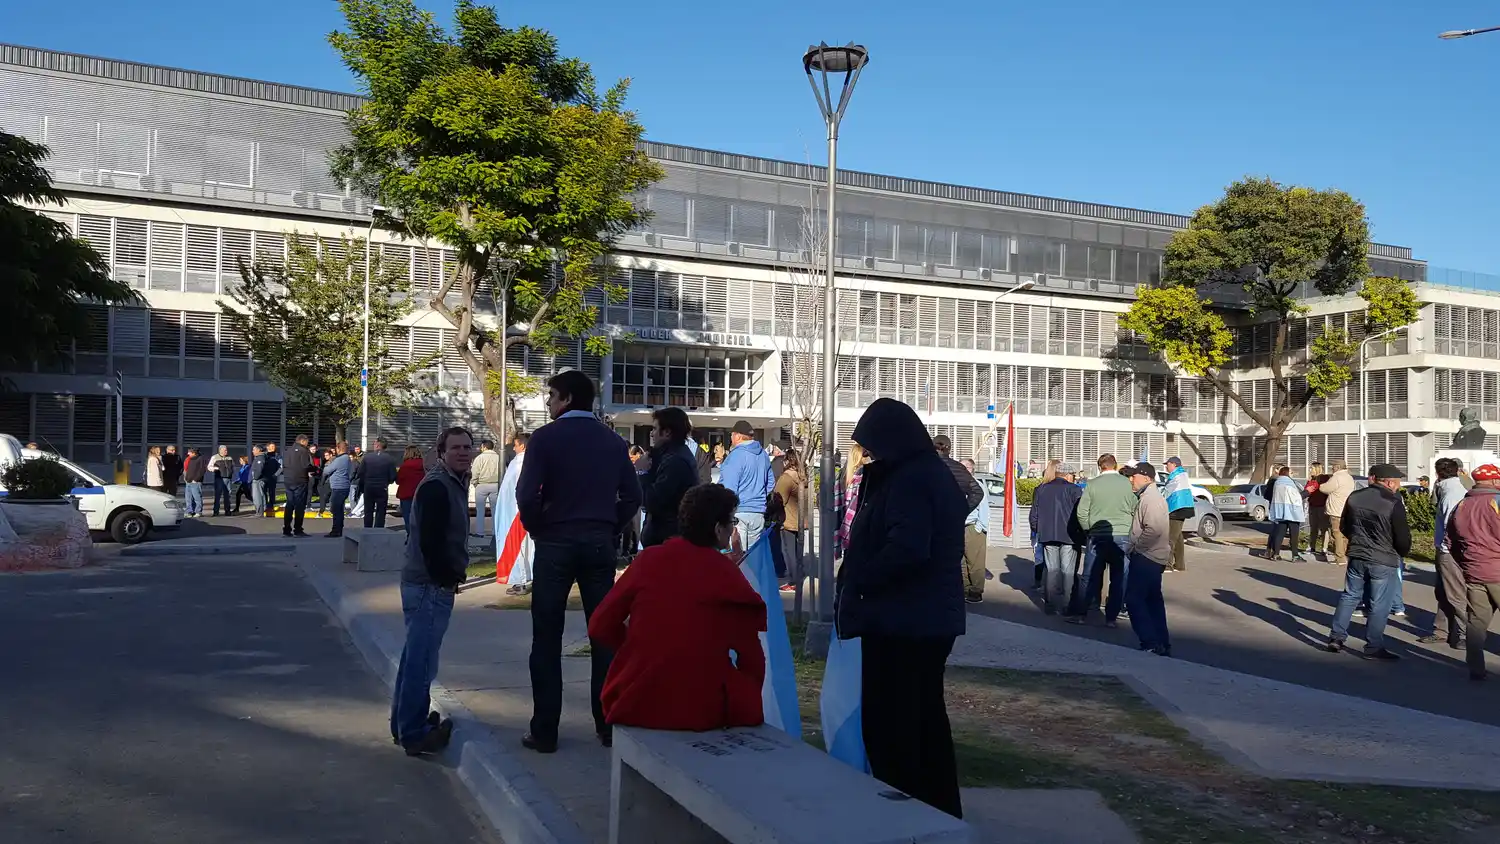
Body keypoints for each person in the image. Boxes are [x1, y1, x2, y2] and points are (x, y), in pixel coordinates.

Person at [837, 398, 966, 819]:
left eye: (873, 447)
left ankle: (910, 808)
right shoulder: (920, 474)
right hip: (913, 618)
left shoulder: (912, 479)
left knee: (899, 723)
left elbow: (908, 549)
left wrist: (860, 580)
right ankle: (928, 805)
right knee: (919, 718)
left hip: (906, 621)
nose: (869, 455)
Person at [516, 371, 642, 753]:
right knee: (603, 633)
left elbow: (526, 494)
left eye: (552, 396)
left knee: (546, 637)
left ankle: (545, 730)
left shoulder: (545, 438)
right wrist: (608, 525)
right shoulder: (612, 441)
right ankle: (606, 724)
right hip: (598, 543)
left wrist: (539, 527)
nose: (549, 404)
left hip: (555, 542)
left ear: (567, 398)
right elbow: (632, 495)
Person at [588, 484, 767, 730]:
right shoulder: (727, 575)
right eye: (731, 521)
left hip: (636, 699)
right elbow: (751, 656)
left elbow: (599, 626)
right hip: (700, 708)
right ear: (717, 529)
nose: (733, 527)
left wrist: (637, 645)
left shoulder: (648, 560)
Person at [389, 427, 472, 756]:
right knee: (422, 662)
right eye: (456, 448)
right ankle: (413, 732)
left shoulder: (452, 480)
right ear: (441, 452)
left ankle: (405, 723)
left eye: (467, 447)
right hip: (428, 585)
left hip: (427, 582)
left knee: (414, 658)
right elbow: (431, 542)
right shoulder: (437, 486)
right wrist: (447, 576)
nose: (464, 452)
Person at [1325, 464, 1411, 661]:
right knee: (1379, 604)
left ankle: (1336, 637)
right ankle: (1373, 646)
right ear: (1389, 482)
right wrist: (1400, 553)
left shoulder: (1355, 497)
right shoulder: (1393, 502)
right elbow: (1402, 537)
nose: (1398, 486)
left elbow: (1345, 526)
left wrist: (1357, 541)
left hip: (1357, 553)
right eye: (1397, 482)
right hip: (1384, 557)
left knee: (1349, 596)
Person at [1446, 463, 1500, 681]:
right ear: (1496, 480)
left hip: (1474, 570)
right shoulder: (1496, 502)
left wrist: (1466, 563)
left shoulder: (1462, 505)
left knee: (1476, 621)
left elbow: (1451, 541)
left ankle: (1476, 668)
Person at [1072, 454, 1137, 628]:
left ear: (1100, 467)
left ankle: (1082, 614)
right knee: (1119, 578)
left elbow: (1082, 512)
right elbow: (1134, 508)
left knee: (1089, 576)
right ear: (1115, 466)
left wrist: (1088, 529)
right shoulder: (1127, 483)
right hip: (1122, 535)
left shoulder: (1092, 484)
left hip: (1097, 535)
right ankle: (1111, 618)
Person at [1123, 463, 1173, 656]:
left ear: (1146, 478)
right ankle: (1161, 642)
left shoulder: (1151, 499)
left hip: (1148, 556)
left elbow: (1153, 529)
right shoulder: (1148, 497)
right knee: (1153, 601)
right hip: (1154, 556)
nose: (1131, 480)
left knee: (1134, 599)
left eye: (1133, 476)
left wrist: (1137, 547)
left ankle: (1150, 642)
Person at [1421, 457, 1468, 649]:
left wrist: (1447, 549)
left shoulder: (1452, 494)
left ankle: (1464, 634)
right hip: (1445, 550)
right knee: (1443, 592)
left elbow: (1452, 526)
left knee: (1455, 594)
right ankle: (1442, 631)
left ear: (1437, 473)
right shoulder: (1448, 489)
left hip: (1450, 551)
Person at [1031, 460, 1085, 617]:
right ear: (1068, 475)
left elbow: (1034, 513)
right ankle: (1067, 606)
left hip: (1048, 534)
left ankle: (1050, 605)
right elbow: (1080, 514)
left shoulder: (1042, 489)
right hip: (1069, 535)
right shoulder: (1074, 490)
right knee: (1068, 572)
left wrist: (1037, 529)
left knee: (1052, 570)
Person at [639, 407, 697, 547]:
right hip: (666, 537)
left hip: (667, 539)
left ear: (667, 432)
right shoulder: (668, 456)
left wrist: (642, 472)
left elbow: (653, 501)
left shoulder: (675, 461)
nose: (651, 434)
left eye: (654, 429)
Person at [717, 420, 776, 551]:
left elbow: (728, 489)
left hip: (738, 513)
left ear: (737, 436)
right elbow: (771, 483)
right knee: (752, 560)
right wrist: (757, 496)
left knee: (738, 559)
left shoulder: (735, 456)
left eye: (731, 435)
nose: (731, 439)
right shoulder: (763, 455)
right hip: (758, 513)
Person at [498, 433, 535, 596]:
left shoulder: (521, 462)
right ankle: (524, 578)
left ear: (523, 446)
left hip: (516, 511)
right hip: (517, 510)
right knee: (524, 547)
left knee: (518, 547)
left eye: (516, 445)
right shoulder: (526, 461)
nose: (513, 448)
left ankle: (521, 581)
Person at [958, 457, 990, 604]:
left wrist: (979, 528)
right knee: (961, 561)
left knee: (975, 561)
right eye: (961, 467)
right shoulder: (957, 485)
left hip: (972, 527)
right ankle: (965, 588)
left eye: (967, 467)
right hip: (958, 526)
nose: (964, 470)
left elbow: (984, 509)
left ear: (972, 470)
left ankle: (976, 591)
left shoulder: (977, 486)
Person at [775, 448, 806, 593]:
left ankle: (794, 581)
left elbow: (778, 499)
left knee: (789, 552)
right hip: (801, 520)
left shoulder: (786, 478)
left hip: (788, 520)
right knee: (798, 552)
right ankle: (798, 576)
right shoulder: (803, 477)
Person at [1264, 467, 1308, 563]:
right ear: (1287, 473)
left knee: (1279, 534)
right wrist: (1307, 492)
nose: (1293, 474)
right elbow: (1296, 497)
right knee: (1294, 534)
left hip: (1280, 512)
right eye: (1291, 472)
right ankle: (1295, 556)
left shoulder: (1277, 482)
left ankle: (1276, 554)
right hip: (1292, 512)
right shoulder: (1289, 483)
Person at [1161, 456, 1194, 572]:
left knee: (1170, 537)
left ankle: (1167, 565)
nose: (1166, 466)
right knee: (1178, 536)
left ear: (1174, 464)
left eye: (1167, 464)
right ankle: (1180, 565)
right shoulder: (1182, 474)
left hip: (1176, 508)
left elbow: (1167, 492)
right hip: (1183, 507)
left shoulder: (1175, 475)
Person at [1321, 460, 1357, 566]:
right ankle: (1344, 555)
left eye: (1333, 466)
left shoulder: (1337, 477)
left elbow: (1326, 488)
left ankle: (1339, 557)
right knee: (1344, 534)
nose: (1332, 468)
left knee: (1336, 533)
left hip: (1336, 509)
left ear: (1337, 467)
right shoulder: (1349, 477)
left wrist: (1321, 485)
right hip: (1346, 509)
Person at [360, 437, 398, 529]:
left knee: (368, 510)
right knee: (381, 510)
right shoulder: (390, 459)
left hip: (369, 486)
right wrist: (387, 482)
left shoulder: (367, 458)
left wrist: (363, 485)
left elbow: (361, 473)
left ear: (377, 445)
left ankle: (367, 528)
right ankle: (379, 528)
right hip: (382, 486)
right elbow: (393, 476)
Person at [281, 434, 315, 537]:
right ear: (303, 441)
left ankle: (286, 528)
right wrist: (315, 469)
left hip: (288, 480)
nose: (307, 445)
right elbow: (306, 466)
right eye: (307, 442)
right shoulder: (304, 451)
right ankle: (298, 529)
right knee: (300, 505)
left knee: (289, 504)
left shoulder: (287, 451)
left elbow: (284, 465)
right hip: (300, 480)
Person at [471, 439, 502, 537]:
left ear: (484, 447)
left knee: (480, 510)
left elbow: (475, 472)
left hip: (481, 485)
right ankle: (495, 532)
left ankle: (480, 532)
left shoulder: (479, 458)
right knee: (495, 510)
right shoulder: (499, 457)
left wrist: (474, 482)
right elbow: (503, 471)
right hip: (495, 485)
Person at [323, 442, 353, 538]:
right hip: (344, 486)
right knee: (339, 509)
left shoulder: (339, 459)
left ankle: (336, 530)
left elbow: (327, 470)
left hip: (338, 487)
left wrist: (327, 465)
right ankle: (339, 529)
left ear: (338, 449)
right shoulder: (347, 459)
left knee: (335, 509)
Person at [1305, 462, 1331, 561]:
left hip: (1322, 506)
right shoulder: (1311, 479)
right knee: (1313, 527)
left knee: (1324, 528)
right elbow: (1306, 490)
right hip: (1312, 505)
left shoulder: (1324, 478)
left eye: (1311, 468)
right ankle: (1312, 546)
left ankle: (1324, 548)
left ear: (1317, 469)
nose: (1310, 470)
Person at [395, 445, 426, 528]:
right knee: (421, 517)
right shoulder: (424, 464)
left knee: (408, 516)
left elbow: (398, 481)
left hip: (406, 494)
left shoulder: (405, 466)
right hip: (421, 494)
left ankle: (411, 536)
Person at [209, 445, 235, 517]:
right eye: (225, 450)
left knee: (228, 495)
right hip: (219, 478)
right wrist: (215, 468)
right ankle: (216, 512)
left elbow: (233, 466)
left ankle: (227, 511)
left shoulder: (229, 457)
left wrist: (232, 472)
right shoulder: (215, 457)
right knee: (218, 495)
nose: (226, 451)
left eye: (226, 450)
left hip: (228, 478)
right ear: (220, 450)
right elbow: (209, 467)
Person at [182, 447, 205, 518]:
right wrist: (186, 478)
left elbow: (202, 470)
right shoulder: (190, 459)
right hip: (188, 481)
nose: (188, 453)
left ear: (194, 453)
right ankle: (189, 511)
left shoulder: (200, 459)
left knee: (197, 497)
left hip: (196, 482)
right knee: (188, 498)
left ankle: (198, 511)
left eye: (190, 452)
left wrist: (196, 479)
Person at [260, 442, 280, 517]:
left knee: (272, 492)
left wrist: (275, 475)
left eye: (274, 447)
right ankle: (265, 506)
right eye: (271, 447)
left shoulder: (277, 456)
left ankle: (271, 506)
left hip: (273, 477)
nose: (273, 448)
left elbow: (281, 467)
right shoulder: (263, 455)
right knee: (263, 491)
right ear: (267, 447)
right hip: (264, 477)